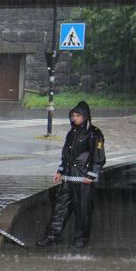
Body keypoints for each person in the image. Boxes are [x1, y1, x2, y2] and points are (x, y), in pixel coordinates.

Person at [36, 101, 106, 248]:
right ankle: (52, 236)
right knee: (60, 208)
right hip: (68, 178)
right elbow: (66, 155)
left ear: (85, 116)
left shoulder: (94, 133)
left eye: (77, 115)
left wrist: (91, 175)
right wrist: (60, 171)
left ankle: (81, 240)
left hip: (84, 179)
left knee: (83, 210)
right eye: (73, 115)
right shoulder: (71, 133)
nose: (74, 118)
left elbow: (98, 156)